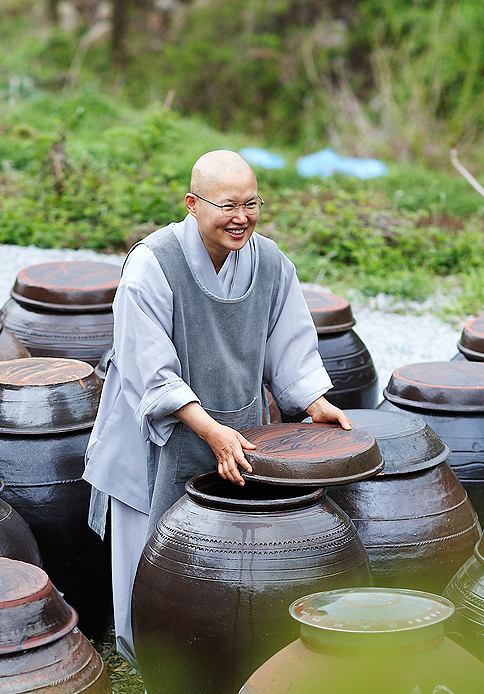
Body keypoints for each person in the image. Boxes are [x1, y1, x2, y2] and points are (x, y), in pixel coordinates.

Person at [84, 149, 350, 665]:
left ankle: (218, 660)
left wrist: (314, 402)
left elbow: (290, 346)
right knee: (152, 560)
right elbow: (151, 371)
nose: (241, 218)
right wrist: (209, 430)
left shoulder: (270, 262)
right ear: (191, 203)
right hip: (155, 432)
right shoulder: (152, 264)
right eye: (228, 205)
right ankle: (157, 671)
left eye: (251, 204)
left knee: (225, 556)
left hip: (238, 428)